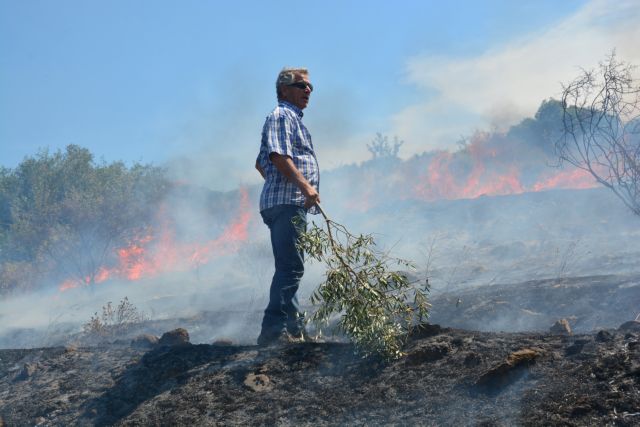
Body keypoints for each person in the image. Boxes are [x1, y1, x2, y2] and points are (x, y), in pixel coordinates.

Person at [254, 67, 320, 346]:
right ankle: (273, 330)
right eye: (302, 86)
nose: (308, 91)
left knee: (289, 265)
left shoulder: (287, 119)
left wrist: (275, 185)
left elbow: (260, 163)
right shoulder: (282, 116)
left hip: (283, 201)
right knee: (291, 267)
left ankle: (295, 329)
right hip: (287, 203)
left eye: (310, 87)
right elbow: (278, 156)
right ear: (284, 89)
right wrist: (304, 187)